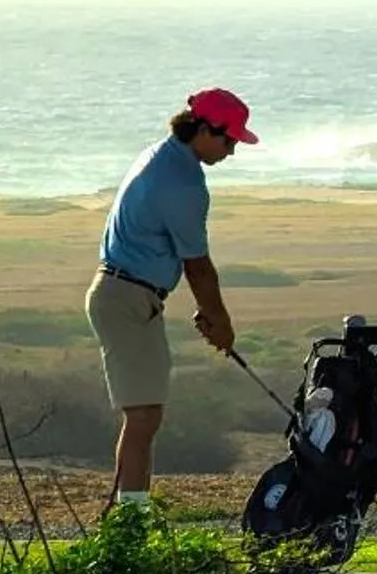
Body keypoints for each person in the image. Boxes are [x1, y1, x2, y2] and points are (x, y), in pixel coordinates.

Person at [86, 87, 257, 506]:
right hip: (126, 297)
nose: (232, 151)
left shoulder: (161, 155)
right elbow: (198, 265)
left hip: (127, 293)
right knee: (143, 415)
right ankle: (130, 522)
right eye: (229, 140)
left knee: (145, 414)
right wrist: (221, 322)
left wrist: (209, 312)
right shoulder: (183, 183)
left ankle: (128, 516)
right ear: (202, 129)